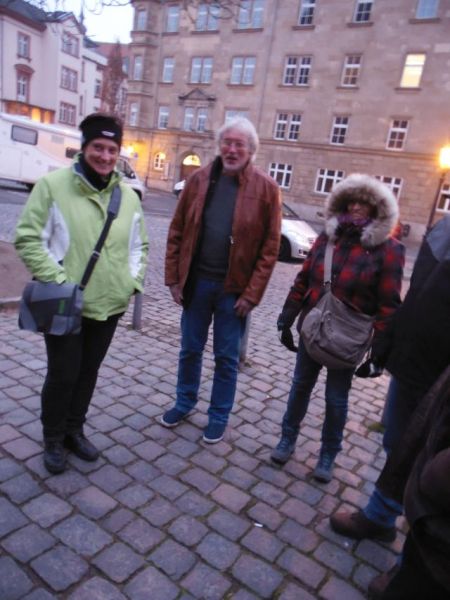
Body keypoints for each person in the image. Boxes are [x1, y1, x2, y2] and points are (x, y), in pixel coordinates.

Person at [15, 113, 149, 475]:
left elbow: (140, 246)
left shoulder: (128, 197)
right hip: (65, 303)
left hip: (109, 305)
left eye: (112, 149)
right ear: (84, 147)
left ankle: (74, 430)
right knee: (63, 374)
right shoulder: (52, 186)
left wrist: (131, 282)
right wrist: (60, 280)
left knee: (88, 372)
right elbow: (28, 238)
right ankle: (53, 437)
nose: (105, 156)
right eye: (98, 147)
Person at [272, 174, 404, 482]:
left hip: (348, 339)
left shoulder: (388, 249)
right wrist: (287, 316)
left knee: (336, 399)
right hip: (313, 328)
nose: (356, 207)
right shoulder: (328, 238)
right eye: (351, 201)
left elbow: (388, 305)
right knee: (300, 386)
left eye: (364, 203)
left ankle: (328, 454)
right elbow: (303, 279)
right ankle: (287, 438)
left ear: (376, 208)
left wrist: (379, 353)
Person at [330, 214, 450, 543]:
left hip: (440, 374)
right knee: (397, 440)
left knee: (429, 458)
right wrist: (390, 339)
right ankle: (386, 515)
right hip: (413, 358)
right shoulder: (445, 226)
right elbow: (418, 295)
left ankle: (402, 532)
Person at [162, 117, 281, 443]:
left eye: (239, 144)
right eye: (227, 142)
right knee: (190, 349)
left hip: (234, 292)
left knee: (226, 359)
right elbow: (177, 230)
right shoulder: (198, 180)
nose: (231, 149)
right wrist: (174, 279)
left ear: (251, 150)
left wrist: (252, 294)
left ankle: (218, 416)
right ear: (219, 145)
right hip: (197, 284)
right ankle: (184, 402)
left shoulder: (267, 189)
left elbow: (270, 249)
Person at [371, 366, 450, 600]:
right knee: (398, 442)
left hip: (438, 540)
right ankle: (379, 514)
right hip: (412, 363)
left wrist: (434, 473)